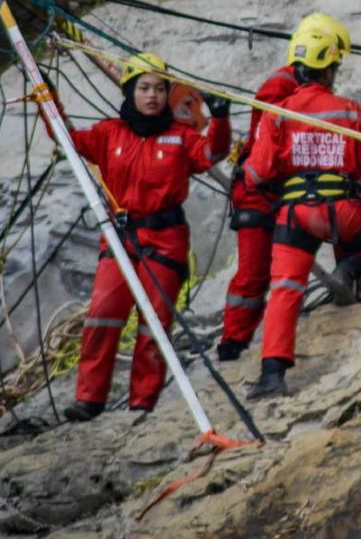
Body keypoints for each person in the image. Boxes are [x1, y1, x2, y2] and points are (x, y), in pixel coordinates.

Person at [217, 13, 361, 363]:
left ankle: (271, 371)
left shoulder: (283, 103)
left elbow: (278, 150)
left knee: (283, 286)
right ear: (327, 65)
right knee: (253, 273)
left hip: (289, 208)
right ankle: (232, 344)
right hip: (277, 199)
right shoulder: (281, 92)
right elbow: (351, 152)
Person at [48, 52, 232, 421]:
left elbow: (214, 152)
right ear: (131, 91)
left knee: (155, 323)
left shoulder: (182, 137)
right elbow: (65, 138)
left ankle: (142, 401)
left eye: (160, 90)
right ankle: (89, 398)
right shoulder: (107, 134)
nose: (152, 96)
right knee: (102, 315)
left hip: (165, 239)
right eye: (144, 88)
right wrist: (46, 100)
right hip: (121, 239)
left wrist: (221, 118)